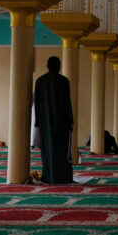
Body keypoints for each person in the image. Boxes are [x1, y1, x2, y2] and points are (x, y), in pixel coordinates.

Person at [34, 56, 74, 184]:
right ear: (59, 66)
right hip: (61, 123)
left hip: (45, 123)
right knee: (62, 151)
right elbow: (67, 103)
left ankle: (49, 177)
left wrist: (38, 123)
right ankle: (63, 177)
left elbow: (37, 104)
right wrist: (70, 122)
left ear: (47, 66)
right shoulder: (64, 81)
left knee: (47, 150)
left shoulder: (40, 81)